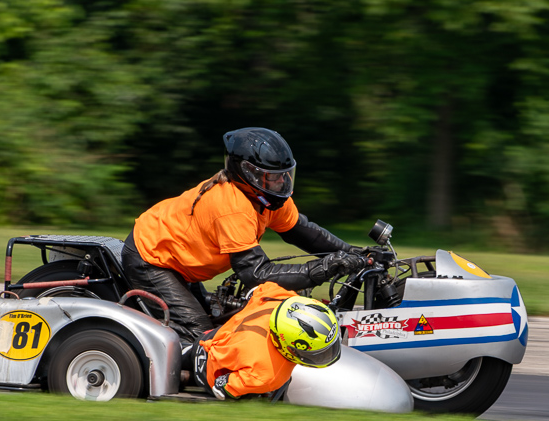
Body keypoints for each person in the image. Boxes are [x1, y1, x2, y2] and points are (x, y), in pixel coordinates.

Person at [121, 126, 366, 360]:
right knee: (202, 336)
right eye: (273, 177)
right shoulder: (233, 207)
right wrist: (323, 269)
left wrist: (354, 254)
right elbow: (256, 273)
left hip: (179, 260)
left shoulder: (268, 200)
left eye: (284, 176)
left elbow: (302, 232)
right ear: (249, 174)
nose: (281, 183)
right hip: (152, 258)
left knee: (222, 319)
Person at [191, 281, 341, 400]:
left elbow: (258, 289)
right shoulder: (269, 375)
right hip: (207, 365)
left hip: (215, 334)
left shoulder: (280, 296)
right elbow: (220, 387)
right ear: (287, 347)